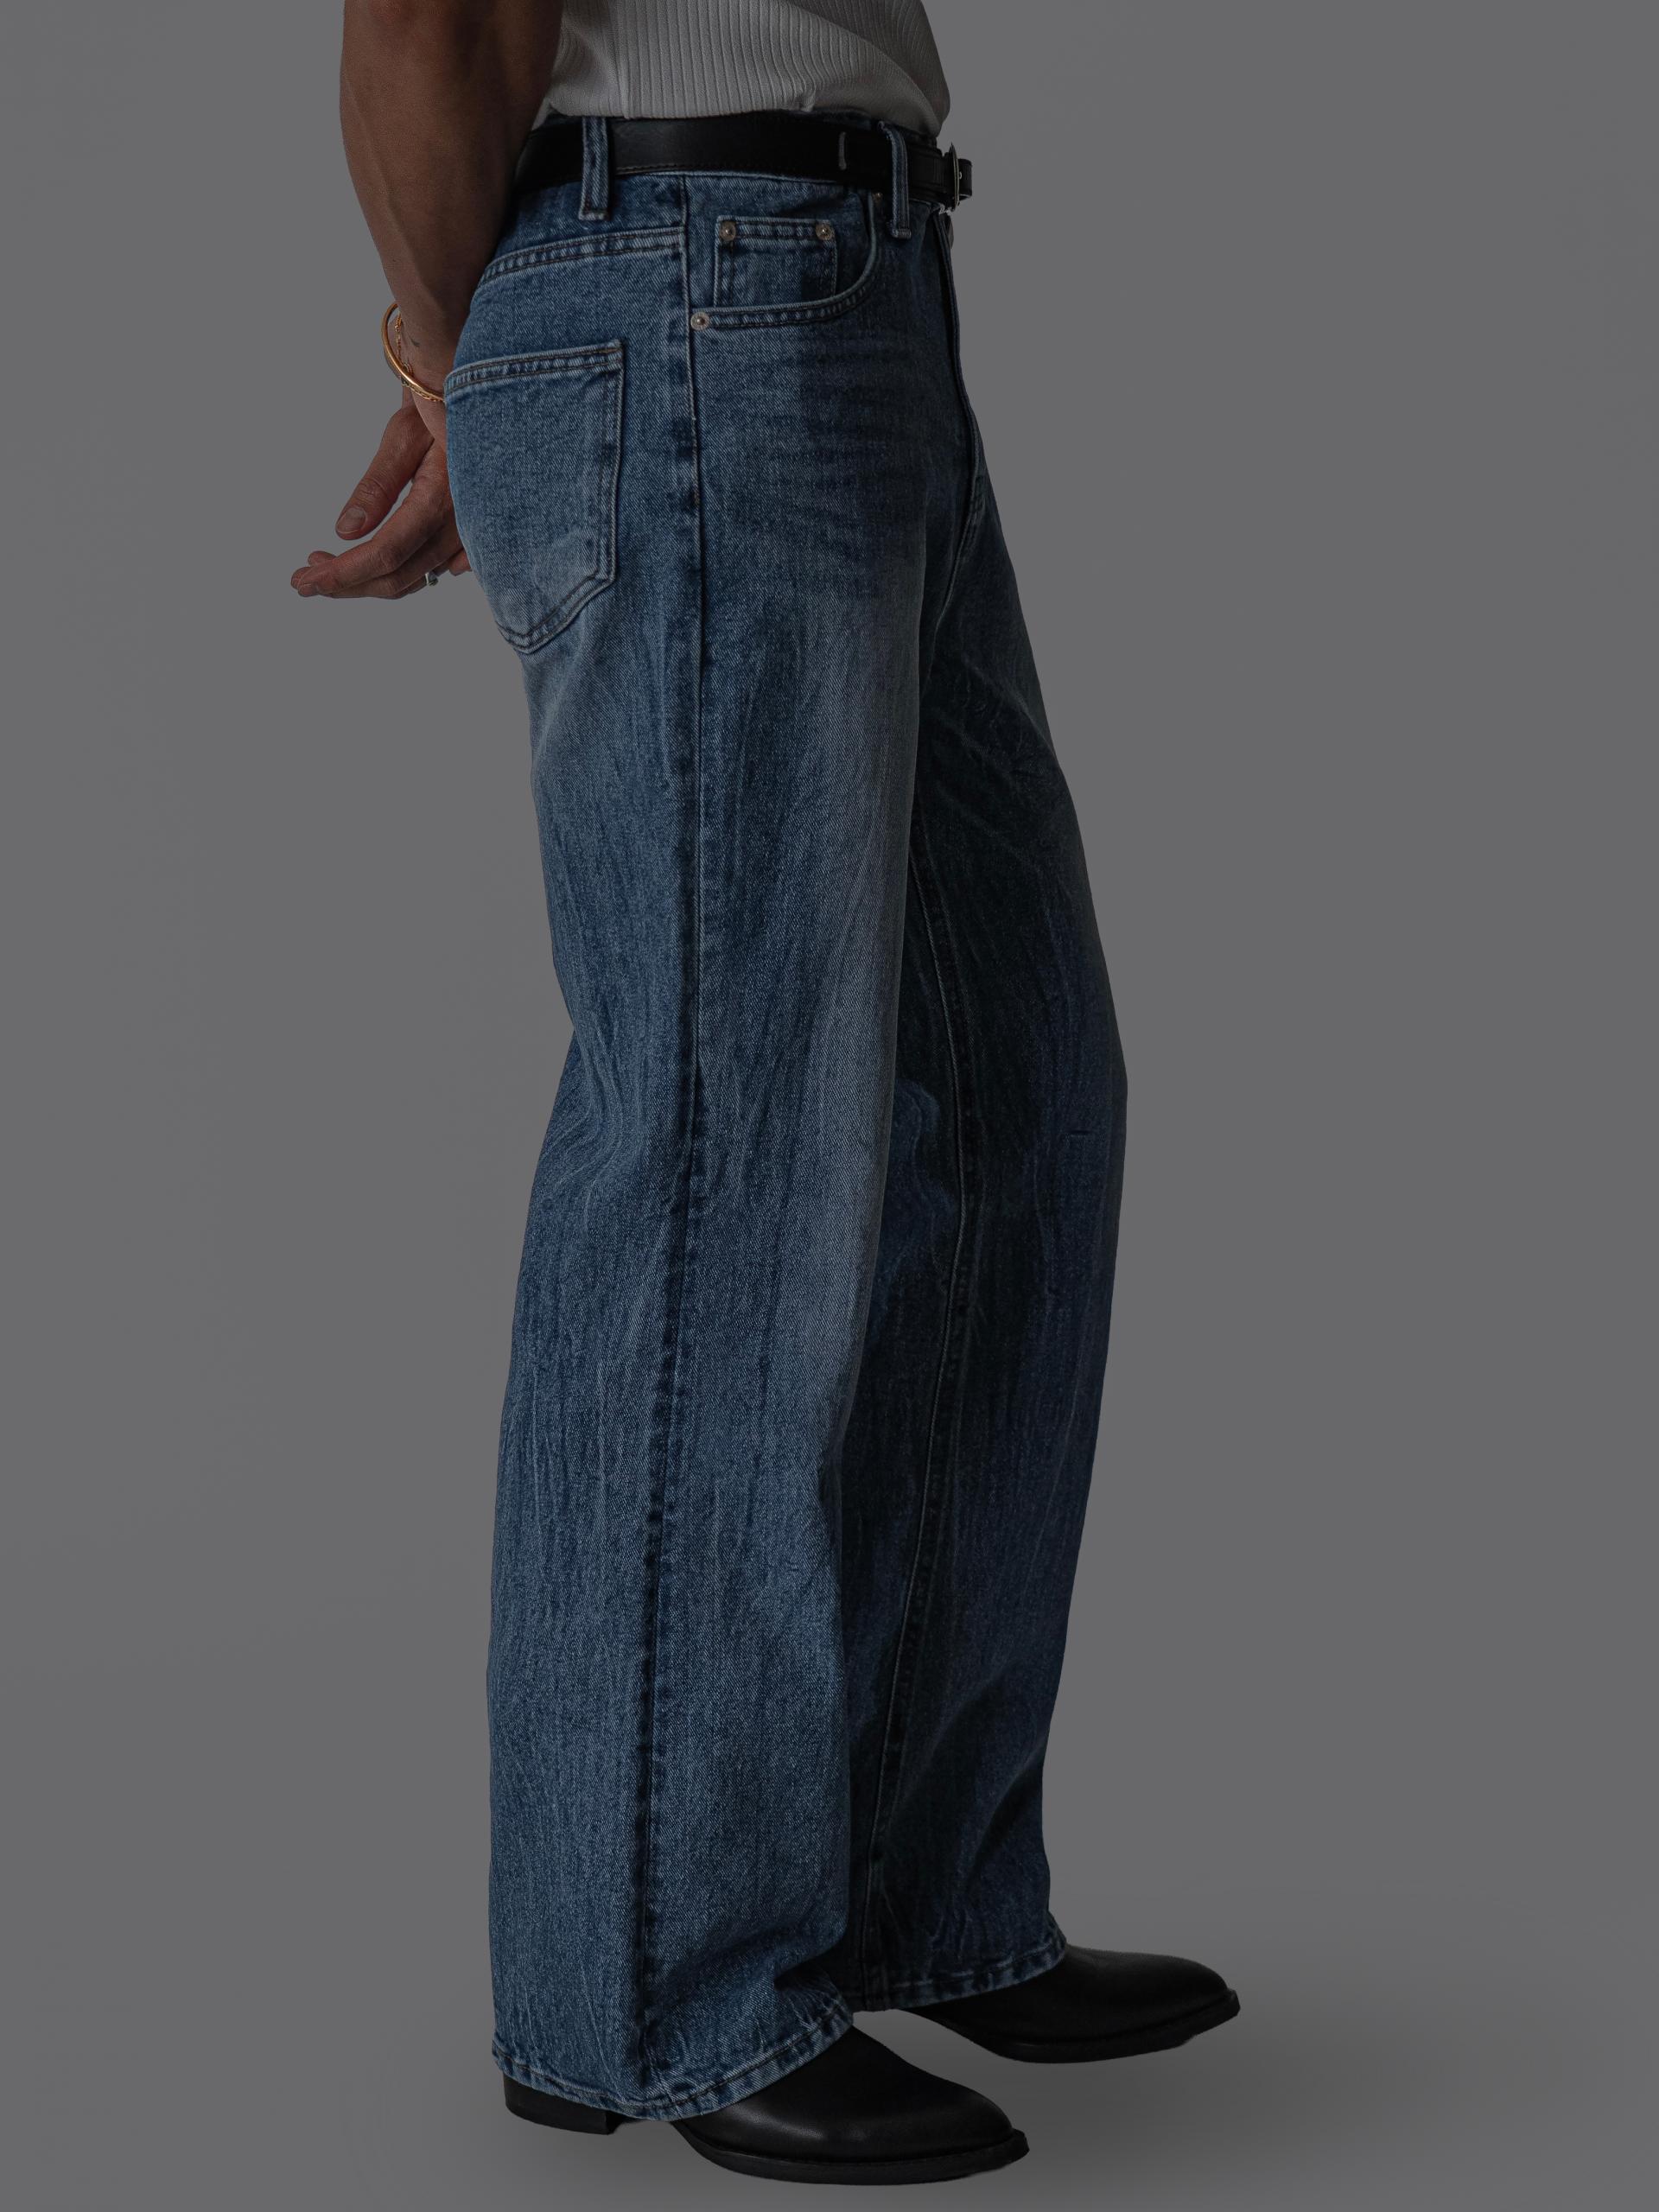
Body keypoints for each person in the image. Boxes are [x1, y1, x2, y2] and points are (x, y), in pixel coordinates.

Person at [293, 2, 1237, 2185]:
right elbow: (422, 20)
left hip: (851, 289)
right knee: (728, 1153)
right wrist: (470, 360)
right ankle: (650, 1977)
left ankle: (914, 1890)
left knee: (1011, 1097)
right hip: (700, 279)